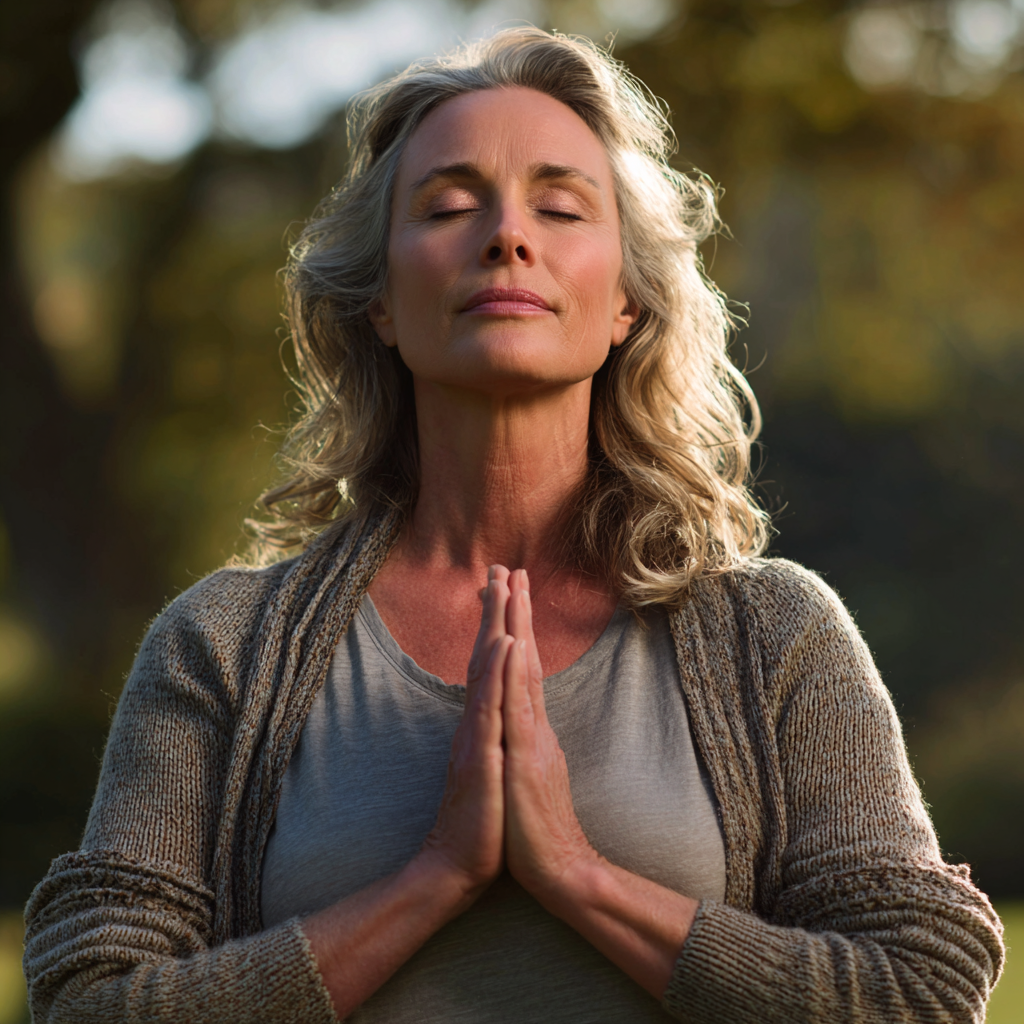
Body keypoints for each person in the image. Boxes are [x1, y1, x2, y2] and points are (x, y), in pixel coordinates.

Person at [23, 27, 1003, 1024]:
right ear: (379, 305)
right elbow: (90, 1001)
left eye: (560, 205)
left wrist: (579, 876)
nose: (505, 235)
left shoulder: (775, 636)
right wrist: (432, 879)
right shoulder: (224, 648)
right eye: (448, 205)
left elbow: (918, 989)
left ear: (625, 297)